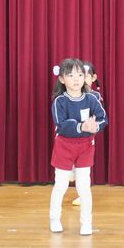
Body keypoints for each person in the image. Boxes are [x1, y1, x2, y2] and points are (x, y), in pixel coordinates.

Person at [49, 58, 108, 235]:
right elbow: (61, 125)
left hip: (85, 147)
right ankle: (54, 218)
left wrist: (95, 126)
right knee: (61, 185)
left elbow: (103, 118)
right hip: (64, 146)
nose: (76, 79)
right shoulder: (60, 101)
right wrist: (82, 126)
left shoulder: (91, 98)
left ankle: (86, 223)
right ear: (61, 79)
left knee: (84, 186)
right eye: (71, 75)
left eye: (80, 75)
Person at [72, 61, 105, 206]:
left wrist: (91, 127)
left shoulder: (95, 96)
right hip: (71, 135)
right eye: (80, 75)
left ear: (93, 78)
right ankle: (71, 175)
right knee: (71, 168)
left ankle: (83, 195)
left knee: (83, 169)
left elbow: (99, 117)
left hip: (86, 137)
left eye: (86, 76)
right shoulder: (71, 94)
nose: (82, 79)